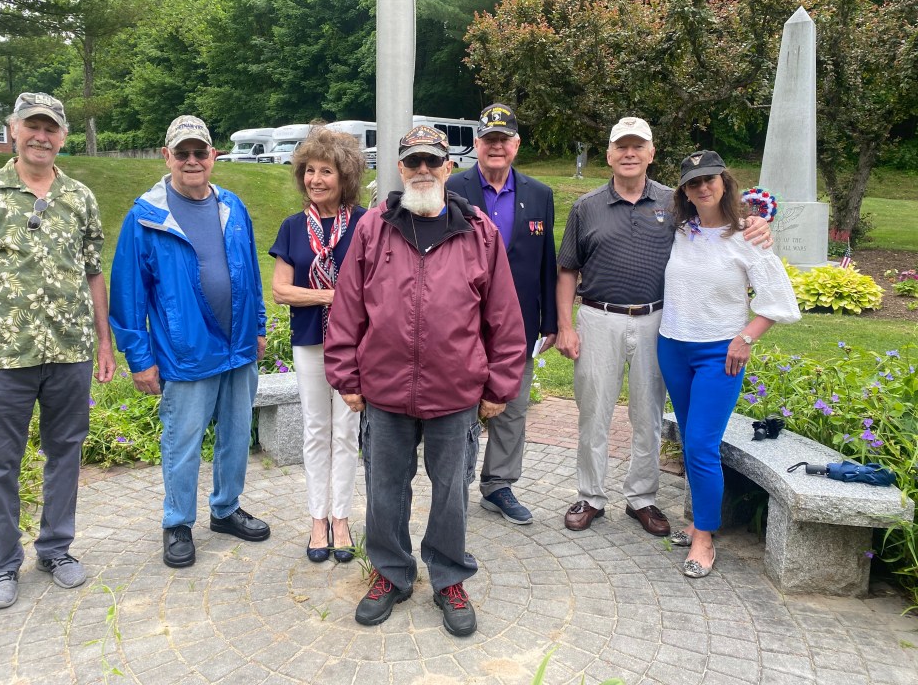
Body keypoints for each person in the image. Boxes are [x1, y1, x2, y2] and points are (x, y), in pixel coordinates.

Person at [324, 125, 526, 637]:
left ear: (448, 168)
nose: (422, 171)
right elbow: (348, 308)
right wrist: (346, 375)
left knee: (452, 492)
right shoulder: (373, 228)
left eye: (432, 162)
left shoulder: (479, 231)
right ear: (399, 168)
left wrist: (499, 385)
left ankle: (448, 577)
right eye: (412, 162)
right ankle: (390, 574)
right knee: (385, 489)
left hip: (455, 392)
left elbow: (503, 315)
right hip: (385, 391)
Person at [555, 117, 770, 537]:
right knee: (594, 410)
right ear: (610, 155)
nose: (630, 154)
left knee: (647, 412)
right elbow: (567, 269)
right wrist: (565, 325)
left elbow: (720, 221)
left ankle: (642, 497)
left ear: (652, 154)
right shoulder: (586, 206)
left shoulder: (675, 206)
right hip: (598, 318)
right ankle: (591, 495)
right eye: (622, 147)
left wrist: (757, 224)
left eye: (638, 147)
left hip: (658, 321)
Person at [0, 92, 116, 609]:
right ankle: (2, 565)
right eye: (33, 126)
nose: (42, 136)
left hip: (69, 351)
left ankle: (56, 549)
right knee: (0, 463)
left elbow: (92, 273)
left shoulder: (80, 197)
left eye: (52, 128)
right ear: (13, 130)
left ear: (63, 136)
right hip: (1, 355)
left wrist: (104, 342)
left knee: (65, 451)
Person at [110, 115, 270, 570]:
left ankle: (226, 509)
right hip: (185, 352)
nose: (193, 161)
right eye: (183, 153)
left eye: (201, 152)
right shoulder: (146, 216)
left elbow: (250, 273)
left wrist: (258, 326)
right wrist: (140, 359)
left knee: (237, 435)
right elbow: (127, 295)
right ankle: (177, 522)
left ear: (213, 156)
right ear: (167, 157)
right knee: (183, 442)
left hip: (238, 346)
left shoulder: (232, 206)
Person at [658, 150, 799, 577]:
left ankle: (704, 538)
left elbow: (778, 301)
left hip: (719, 353)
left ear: (724, 181)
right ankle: (698, 519)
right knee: (690, 439)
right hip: (673, 347)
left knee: (701, 444)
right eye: (693, 182)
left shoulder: (748, 236)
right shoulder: (682, 230)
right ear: (684, 190)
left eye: (710, 179)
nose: (703, 187)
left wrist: (746, 337)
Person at [446, 102, 557, 526]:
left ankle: (499, 486)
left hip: (520, 323)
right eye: (488, 140)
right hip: (461, 321)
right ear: (476, 144)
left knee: (512, 405)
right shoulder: (452, 187)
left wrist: (550, 319)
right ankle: (454, 481)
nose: (496, 147)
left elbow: (546, 260)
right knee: (461, 404)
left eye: (503, 140)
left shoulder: (539, 195)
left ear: (516, 145)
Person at [269, 127, 367, 564]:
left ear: (344, 176)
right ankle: (316, 519)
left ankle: (342, 518)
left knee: (346, 432)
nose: (316, 180)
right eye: (310, 171)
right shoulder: (293, 228)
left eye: (326, 171)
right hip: (310, 341)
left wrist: (345, 297)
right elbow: (281, 291)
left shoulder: (366, 223)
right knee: (315, 429)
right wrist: (332, 295)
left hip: (354, 343)